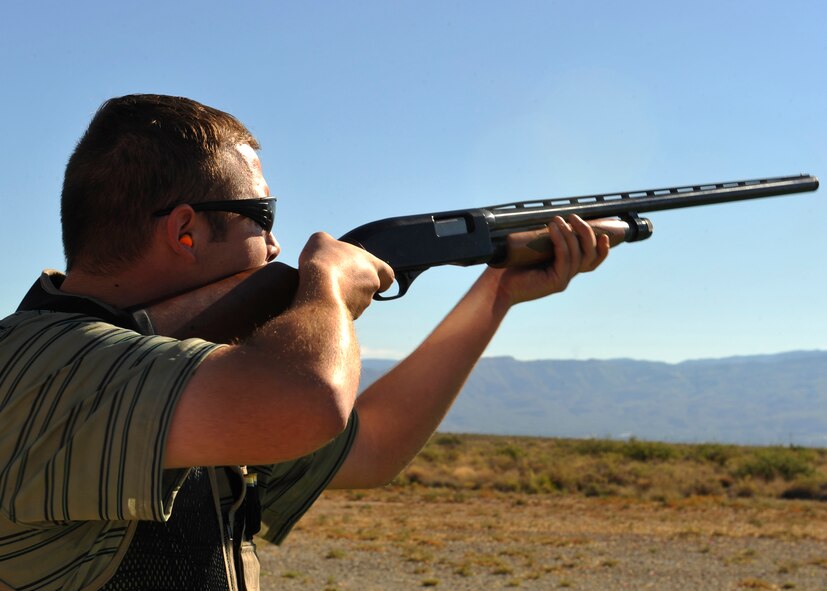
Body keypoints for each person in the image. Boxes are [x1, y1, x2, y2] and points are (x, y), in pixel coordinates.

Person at [0, 94, 610, 591]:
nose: (274, 246)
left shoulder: (185, 376)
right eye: (262, 215)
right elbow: (313, 400)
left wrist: (495, 293)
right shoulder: (42, 366)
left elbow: (369, 450)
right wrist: (326, 284)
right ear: (185, 230)